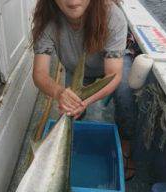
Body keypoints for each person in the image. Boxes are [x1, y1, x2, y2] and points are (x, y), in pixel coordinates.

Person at [32, 0, 136, 180]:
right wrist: (60, 93)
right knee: (71, 113)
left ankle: (125, 146)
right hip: (77, 68)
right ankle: (71, 150)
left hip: (113, 64)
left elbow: (113, 74)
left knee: (125, 93)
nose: (72, 1)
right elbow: (39, 73)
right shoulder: (47, 19)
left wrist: (83, 102)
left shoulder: (113, 16)